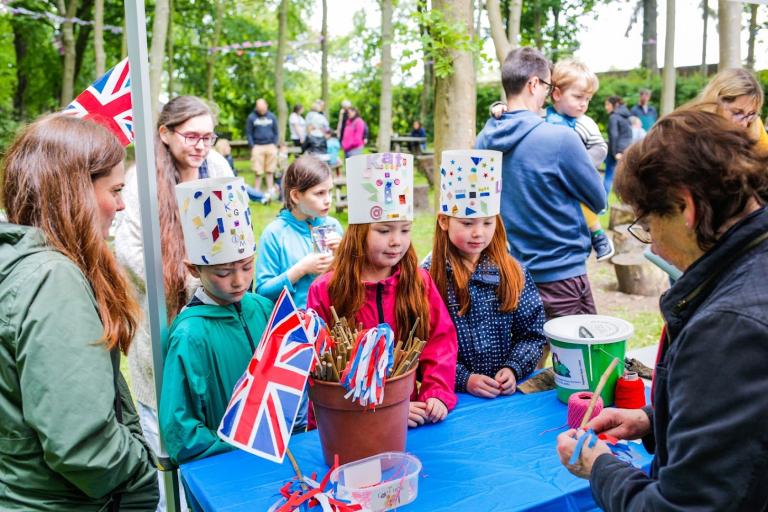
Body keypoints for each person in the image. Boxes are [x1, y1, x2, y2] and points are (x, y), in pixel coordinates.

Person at [557, 108, 768, 511]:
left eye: (649, 225)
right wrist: (654, 419)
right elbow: (745, 427)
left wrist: (599, 466)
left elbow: (682, 507)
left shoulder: (728, 329)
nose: (652, 246)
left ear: (686, 208)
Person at [0, 114, 158, 510]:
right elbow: (83, 445)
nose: (121, 205)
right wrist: (141, 469)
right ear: (75, 190)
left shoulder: (18, 262)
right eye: (115, 190)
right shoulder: (52, 279)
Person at [114, 95, 233, 511]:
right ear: (165, 134)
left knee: (215, 416)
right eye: (191, 136)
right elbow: (127, 249)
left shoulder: (216, 166)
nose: (201, 145)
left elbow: (234, 224)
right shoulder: (141, 179)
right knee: (170, 424)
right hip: (162, 319)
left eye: (208, 136)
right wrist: (182, 277)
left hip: (215, 314)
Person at [307, 153, 458, 428]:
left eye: (404, 230)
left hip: (410, 421)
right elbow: (320, 369)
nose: (396, 242)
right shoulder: (326, 291)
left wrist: (436, 391)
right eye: (384, 230)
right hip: (347, 422)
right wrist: (388, 406)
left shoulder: (418, 282)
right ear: (359, 231)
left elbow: (440, 341)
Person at [475, 47, 606, 322]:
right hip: (562, 274)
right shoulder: (560, 139)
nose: (548, 94)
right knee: (584, 362)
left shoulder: (484, 141)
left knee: (529, 359)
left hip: (512, 275)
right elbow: (599, 199)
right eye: (547, 86)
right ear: (534, 84)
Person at [159, 176, 273, 467]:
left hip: (275, 453)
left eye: (247, 267)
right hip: (226, 465)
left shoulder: (262, 308)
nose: (239, 281)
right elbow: (180, 430)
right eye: (223, 273)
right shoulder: (190, 334)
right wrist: (233, 445)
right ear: (194, 269)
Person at [424, 149, 546, 398]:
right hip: (454, 397)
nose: (478, 233)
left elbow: (533, 333)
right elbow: (424, 345)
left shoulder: (513, 272)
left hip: (506, 399)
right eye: (467, 224)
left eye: (487, 223)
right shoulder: (428, 278)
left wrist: (514, 368)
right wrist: (464, 379)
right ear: (444, 221)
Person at [255, 156, 342, 428]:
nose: (328, 200)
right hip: (294, 338)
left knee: (333, 401)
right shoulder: (275, 234)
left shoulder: (333, 227)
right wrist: (299, 270)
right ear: (295, 195)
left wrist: (343, 256)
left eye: (329, 191)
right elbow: (263, 290)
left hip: (333, 331)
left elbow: (351, 279)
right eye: (319, 193)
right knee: (299, 413)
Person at [545, 58, 614, 262]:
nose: (583, 104)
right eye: (578, 97)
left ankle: (598, 235)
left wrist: (576, 167)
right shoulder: (541, 117)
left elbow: (600, 148)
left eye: (588, 99)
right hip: (551, 181)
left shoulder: (584, 123)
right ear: (556, 94)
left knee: (579, 201)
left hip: (576, 180)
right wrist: (499, 108)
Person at [686, 68, 768, 155]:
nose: (744, 124)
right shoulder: (688, 132)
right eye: (737, 113)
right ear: (714, 104)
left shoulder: (754, 125)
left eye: (751, 114)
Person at [245, 98, 279, 198]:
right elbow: (249, 133)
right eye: (259, 109)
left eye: (263, 109)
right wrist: (252, 145)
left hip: (270, 145)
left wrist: (274, 144)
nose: (261, 111)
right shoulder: (251, 117)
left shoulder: (272, 116)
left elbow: (276, 132)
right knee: (258, 171)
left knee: (270, 170)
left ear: (266, 106)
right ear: (256, 107)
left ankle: (270, 192)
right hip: (257, 146)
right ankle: (256, 193)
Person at [604, 95, 633, 195]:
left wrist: (615, 152)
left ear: (615, 105)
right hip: (625, 150)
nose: (606, 107)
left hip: (616, 151)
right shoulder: (626, 117)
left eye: (607, 104)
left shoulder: (614, 117)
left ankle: (602, 204)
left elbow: (614, 135)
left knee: (608, 175)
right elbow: (628, 135)